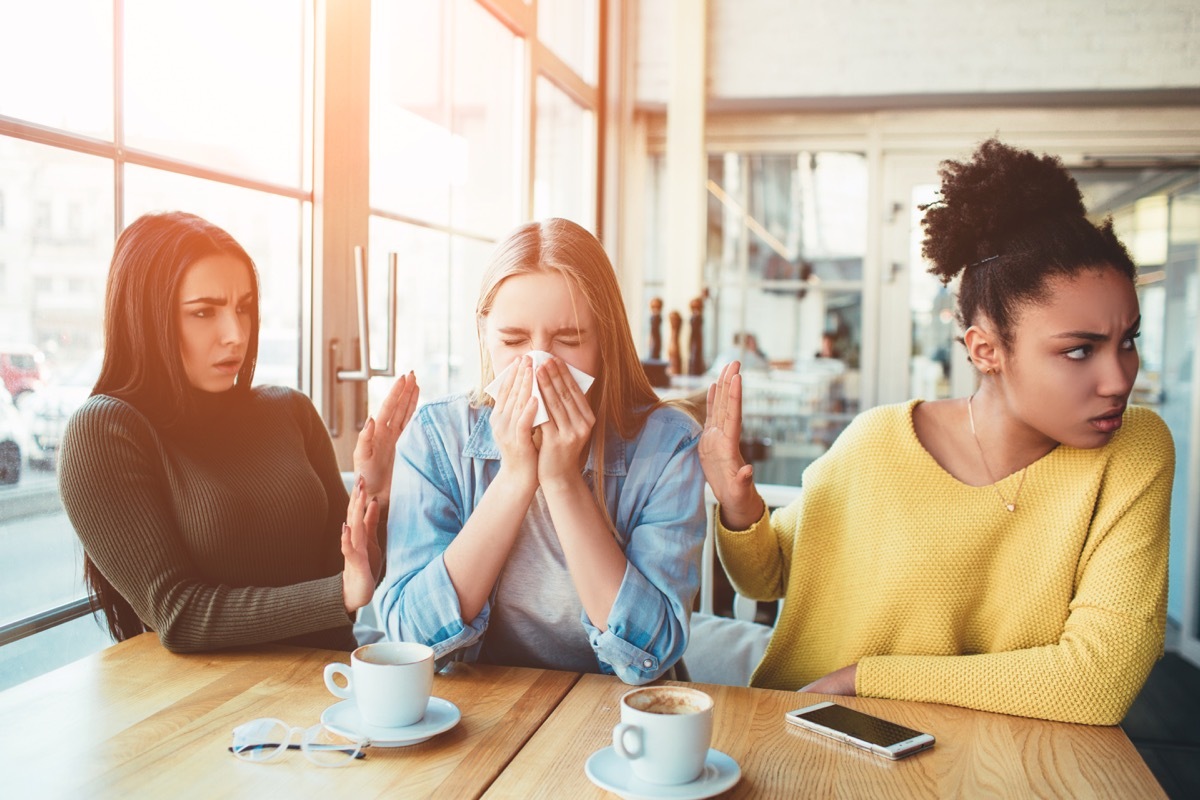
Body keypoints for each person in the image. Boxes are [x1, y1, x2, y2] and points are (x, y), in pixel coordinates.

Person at [698, 139, 1173, 725]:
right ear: (986, 350)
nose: (1119, 378)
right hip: (812, 734)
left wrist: (864, 679)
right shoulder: (877, 445)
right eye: (1080, 350)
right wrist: (740, 505)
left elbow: (1097, 680)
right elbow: (767, 575)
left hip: (997, 754)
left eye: (1128, 340)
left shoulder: (1134, 448)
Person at [58, 211, 419, 653]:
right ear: (145, 319)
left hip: (329, 684)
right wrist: (339, 594)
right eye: (204, 312)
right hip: (208, 704)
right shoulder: (105, 431)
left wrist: (376, 488)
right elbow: (179, 614)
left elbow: (348, 571)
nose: (235, 334)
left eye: (243, 308)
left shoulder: (289, 411)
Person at [375, 218, 706, 684]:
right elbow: (410, 639)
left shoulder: (667, 446)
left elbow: (651, 652)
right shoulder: (436, 438)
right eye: (513, 341)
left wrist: (563, 481)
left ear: (604, 341)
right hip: (485, 710)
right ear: (485, 333)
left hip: (621, 712)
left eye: (568, 341)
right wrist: (514, 479)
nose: (539, 364)